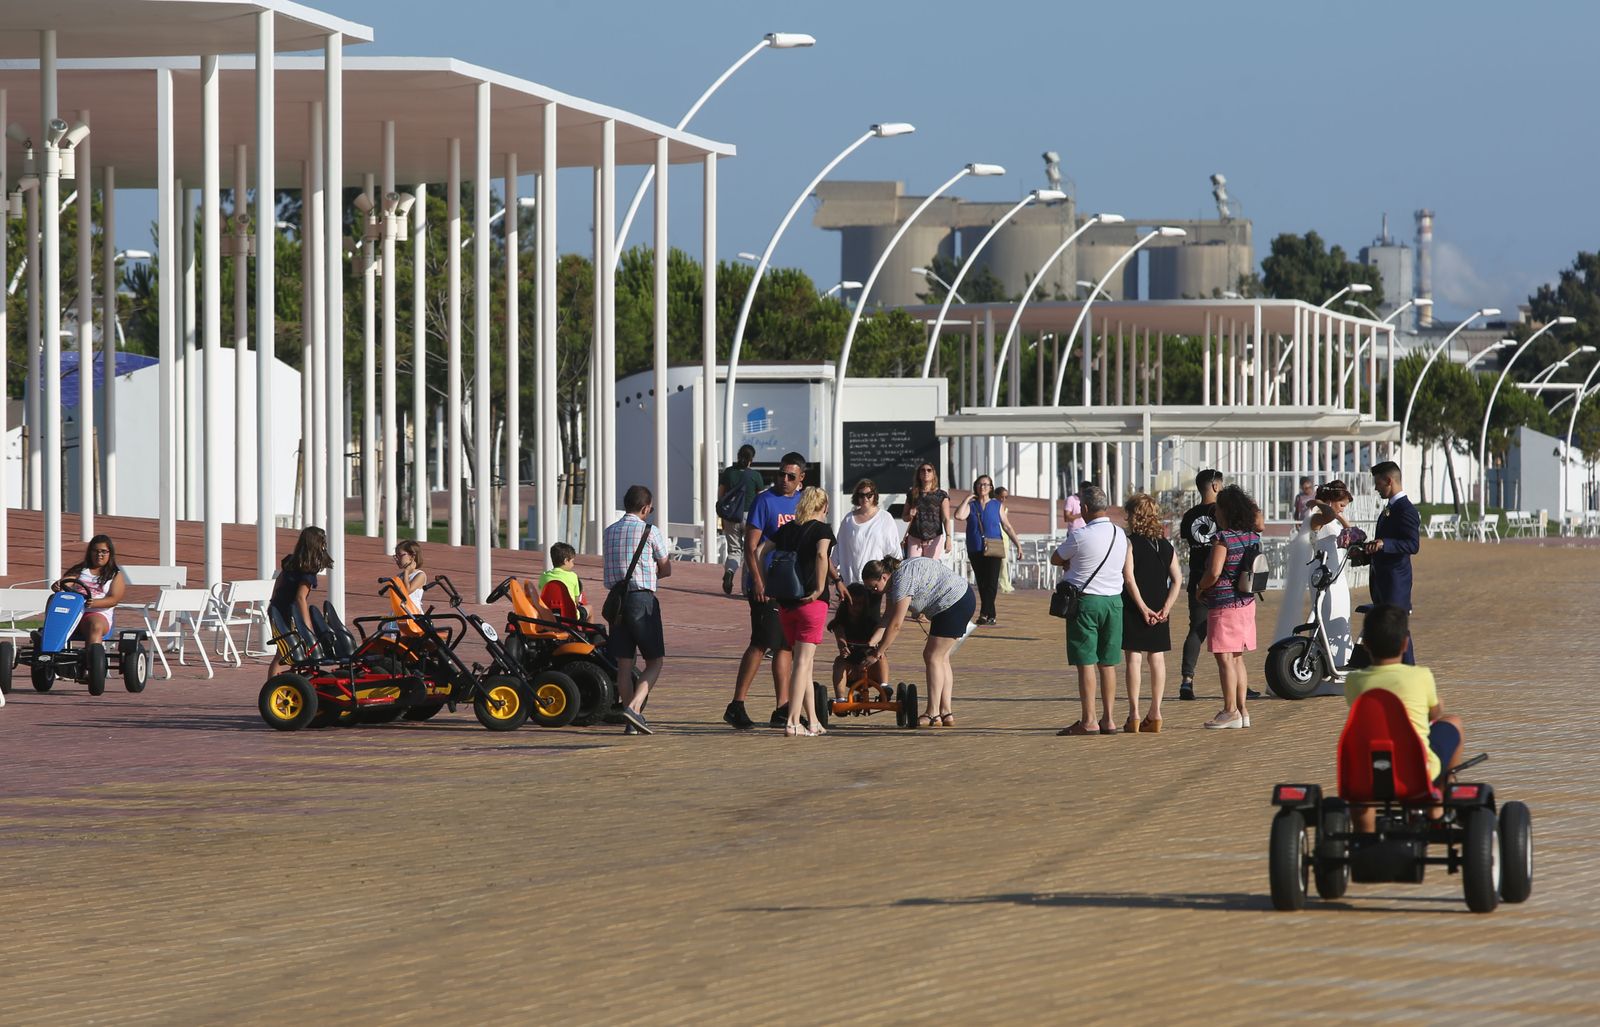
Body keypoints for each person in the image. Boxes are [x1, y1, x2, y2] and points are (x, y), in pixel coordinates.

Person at [1343, 604, 1464, 830]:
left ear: (1365, 645)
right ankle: (1437, 803)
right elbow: (1435, 714)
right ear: (1405, 644)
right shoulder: (1421, 676)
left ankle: (1364, 836)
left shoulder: (1353, 681)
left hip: (1367, 774)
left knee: (1368, 753)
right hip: (1417, 771)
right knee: (1454, 723)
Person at [723, 451, 806, 730]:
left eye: (790, 476)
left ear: (801, 479)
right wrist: (757, 580)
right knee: (761, 642)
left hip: (789, 586)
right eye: (781, 474)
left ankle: (782, 707)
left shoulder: (802, 503)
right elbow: (750, 546)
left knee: (785, 646)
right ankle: (737, 704)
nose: (784, 479)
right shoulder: (764, 501)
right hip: (764, 585)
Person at [757, 487, 838, 736]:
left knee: (806, 664)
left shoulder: (788, 528)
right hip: (810, 604)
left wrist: (764, 581)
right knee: (802, 662)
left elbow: (759, 551)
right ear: (823, 507)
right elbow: (822, 554)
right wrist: (819, 588)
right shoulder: (822, 530)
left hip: (786, 604)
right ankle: (792, 721)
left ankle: (812, 720)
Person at [861, 555, 975, 728]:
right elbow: (887, 617)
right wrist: (871, 643)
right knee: (941, 658)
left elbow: (896, 624)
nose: (873, 591)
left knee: (932, 656)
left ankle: (932, 713)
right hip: (961, 598)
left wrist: (878, 654)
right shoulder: (894, 582)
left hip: (953, 602)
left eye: (874, 586)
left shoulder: (901, 581)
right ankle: (946, 713)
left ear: (884, 577)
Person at [1051, 485, 1129, 735]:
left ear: (1084, 509)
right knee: (1108, 663)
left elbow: (1056, 557)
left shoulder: (1080, 535)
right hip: (1114, 601)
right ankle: (1109, 719)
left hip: (1086, 602)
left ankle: (1089, 720)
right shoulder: (1120, 535)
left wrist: (1071, 563)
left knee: (1086, 662)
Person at [602, 484, 672, 735]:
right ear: (645, 508)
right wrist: (650, 573)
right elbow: (666, 568)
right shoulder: (650, 531)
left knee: (624, 664)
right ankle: (633, 708)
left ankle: (631, 723)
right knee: (654, 661)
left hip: (616, 602)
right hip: (642, 600)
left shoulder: (609, 532)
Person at [1195, 484, 1261, 730]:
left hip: (1225, 603)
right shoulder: (1253, 536)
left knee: (1224, 659)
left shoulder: (1223, 538)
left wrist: (1200, 588)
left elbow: (1213, 572)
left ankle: (1229, 710)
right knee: (1237, 659)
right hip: (1247, 602)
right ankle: (1243, 709)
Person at [1120, 494, 1181, 734]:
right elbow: (1177, 579)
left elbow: (1128, 577)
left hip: (1137, 605)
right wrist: (1167, 607)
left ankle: (1134, 714)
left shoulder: (1130, 542)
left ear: (1134, 516)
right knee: (1157, 657)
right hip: (1160, 604)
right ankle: (1155, 712)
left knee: (1133, 657)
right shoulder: (1165, 545)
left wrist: (1142, 607)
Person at [1364, 460, 1421, 665]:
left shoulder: (1406, 510)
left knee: (1398, 630)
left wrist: (1384, 544)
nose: (1376, 488)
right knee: (1387, 631)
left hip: (1396, 582)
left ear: (1389, 481)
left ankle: (1410, 671)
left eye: (1378, 483)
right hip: (1383, 582)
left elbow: (1413, 545)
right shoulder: (1390, 508)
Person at [1177, 469, 1224, 701]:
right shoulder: (1223, 513)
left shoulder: (1189, 515)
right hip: (1222, 579)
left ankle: (1187, 680)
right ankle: (1236, 683)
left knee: (1196, 629)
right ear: (1215, 486)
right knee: (1228, 633)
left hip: (1197, 577)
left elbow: (1188, 541)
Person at [268, 526, 333, 678]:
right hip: (288, 612)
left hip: (278, 608)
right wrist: (307, 626)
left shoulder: (291, 561)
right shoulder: (308, 570)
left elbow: (278, 583)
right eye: (322, 542)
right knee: (285, 653)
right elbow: (300, 597)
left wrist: (273, 604)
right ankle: (272, 689)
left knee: (284, 651)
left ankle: (276, 685)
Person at [964, 474, 1021, 625]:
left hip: (994, 546)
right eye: (980, 484)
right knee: (982, 582)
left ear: (991, 488)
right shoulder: (971, 506)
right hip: (975, 547)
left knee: (991, 582)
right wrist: (967, 499)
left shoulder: (997, 505)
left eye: (986, 484)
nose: (983, 487)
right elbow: (958, 515)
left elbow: (1007, 526)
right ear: (976, 486)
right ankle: (991, 615)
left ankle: (984, 613)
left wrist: (1018, 545)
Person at [56, 535, 127, 646]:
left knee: (95, 625)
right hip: (73, 611)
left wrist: (93, 603)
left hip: (97, 613)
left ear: (110, 553)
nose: (99, 555)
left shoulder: (115, 575)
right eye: (96, 551)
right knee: (53, 600)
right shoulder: (81, 570)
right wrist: (57, 586)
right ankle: (46, 647)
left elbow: (114, 599)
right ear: (90, 552)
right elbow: (66, 582)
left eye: (104, 551)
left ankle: (92, 660)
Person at [834, 478, 902, 585]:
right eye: (861, 495)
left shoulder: (885, 518)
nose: (865, 498)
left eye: (869, 495)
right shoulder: (848, 520)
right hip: (851, 582)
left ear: (874, 495)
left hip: (875, 581)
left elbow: (894, 552)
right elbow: (839, 549)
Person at [718, 444, 764, 595]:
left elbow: (721, 495)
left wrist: (723, 515)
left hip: (732, 516)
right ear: (752, 459)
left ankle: (730, 572)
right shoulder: (755, 476)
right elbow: (761, 498)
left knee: (734, 550)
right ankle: (746, 588)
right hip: (751, 517)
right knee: (750, 551)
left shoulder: (728, 473)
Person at [829, 582, 886, 700]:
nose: (856, 608)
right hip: (851, 669)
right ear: (846, 604)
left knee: (882, 655)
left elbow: (880, 635)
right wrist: (843, 647)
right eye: (852, 604)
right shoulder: (841, 623)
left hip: (869, 667)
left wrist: (874, 650)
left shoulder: (871, 622)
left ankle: (884, 687)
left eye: (860, 604)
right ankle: (840, 698)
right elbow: (840, 637)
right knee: (839, 661)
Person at [902, 461, 952, 558]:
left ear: (933, 474)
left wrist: (948, 538)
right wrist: (910, 515)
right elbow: (904, 517)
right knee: (914, 567)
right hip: (915, 538)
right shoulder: (912, 494)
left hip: (934, 538)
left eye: (929, 470)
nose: (926, 472)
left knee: (930, 569)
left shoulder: (941, 495)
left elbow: (946, 519)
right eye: (923, 470)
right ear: (919, 474)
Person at [537, 541, 587, 620]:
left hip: (548, 615)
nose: (573, 565)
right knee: (589, 609)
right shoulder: (573, 577)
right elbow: (576, 601)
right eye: (572, 561)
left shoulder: (544, 576)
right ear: (566, 560)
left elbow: (542, 591)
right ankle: (588, 631)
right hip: (570, 615)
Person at [993, 487, 1017, 594]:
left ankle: (1005, 583)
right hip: (995, 535)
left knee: (1004, 561)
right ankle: (1001, 583)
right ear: (996, 495)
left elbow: (1006, 525)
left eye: (1006, 497)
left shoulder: (1004, 508)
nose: (1003, 499)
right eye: (1001, 496)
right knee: (996, 562)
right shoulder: (992, 506)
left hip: (1005, 537)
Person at [392, 540, 426, 607]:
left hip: (412, 613)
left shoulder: (420, 575)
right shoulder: (399, 576)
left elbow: (406, 592)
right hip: (399, 611)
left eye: (400, 555)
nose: (397, 559)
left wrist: (407, 571)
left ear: (412, 556)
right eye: (396, 556)